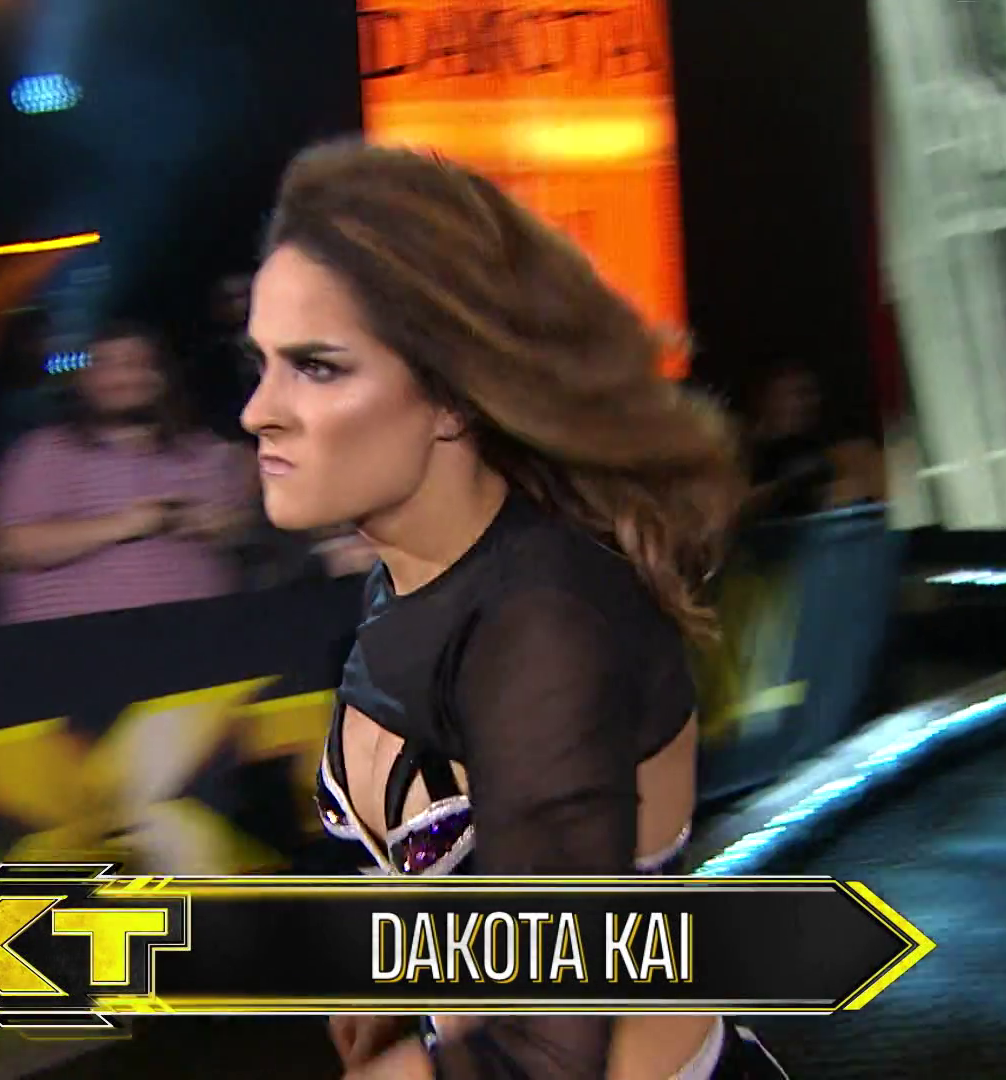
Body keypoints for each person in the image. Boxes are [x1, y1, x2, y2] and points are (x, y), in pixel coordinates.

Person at [239, 141, 784, 1078]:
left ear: (450, 396)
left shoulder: (543, 624)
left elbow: (551, 1044)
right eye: (262, 364)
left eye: (317, 367)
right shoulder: (410, 578)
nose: (259, 411)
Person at [0, 320, 253, 624]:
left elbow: (242, 526)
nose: (120, 378)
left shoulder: (202, 449)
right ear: (84, 381)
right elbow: (13, 546)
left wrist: (220, 523)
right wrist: (128, 524)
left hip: (202, 634)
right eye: (105, 366)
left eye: (134, 364)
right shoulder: (44, 452)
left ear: (161, 377)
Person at [744, 360, 885, 518]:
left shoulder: (841, 451)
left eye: (807, 393)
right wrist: (785, 489)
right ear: (766, 401)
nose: (799, 404)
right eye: (789, 394)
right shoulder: (745, 456)